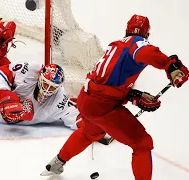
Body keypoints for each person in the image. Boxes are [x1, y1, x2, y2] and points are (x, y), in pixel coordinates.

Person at [41, 14, 189, 180]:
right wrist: (170, 65)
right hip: (103, 107)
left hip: (86, 99)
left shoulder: (117, 45)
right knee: (142, 143)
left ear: (126, 30)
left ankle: (57, 162)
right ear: (147, 34)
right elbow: (146, 51)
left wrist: (134, 96)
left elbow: (110, 82)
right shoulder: (138, 43)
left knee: (89, 134)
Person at [0, 61, 80, 129]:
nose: (47, 89)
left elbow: (72, 115)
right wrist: (5, 96)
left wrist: (90, 129)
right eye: (46, 83)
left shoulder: (60, 98)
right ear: (39, 76)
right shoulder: (29, 70)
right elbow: (0, 73)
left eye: (52, 87)